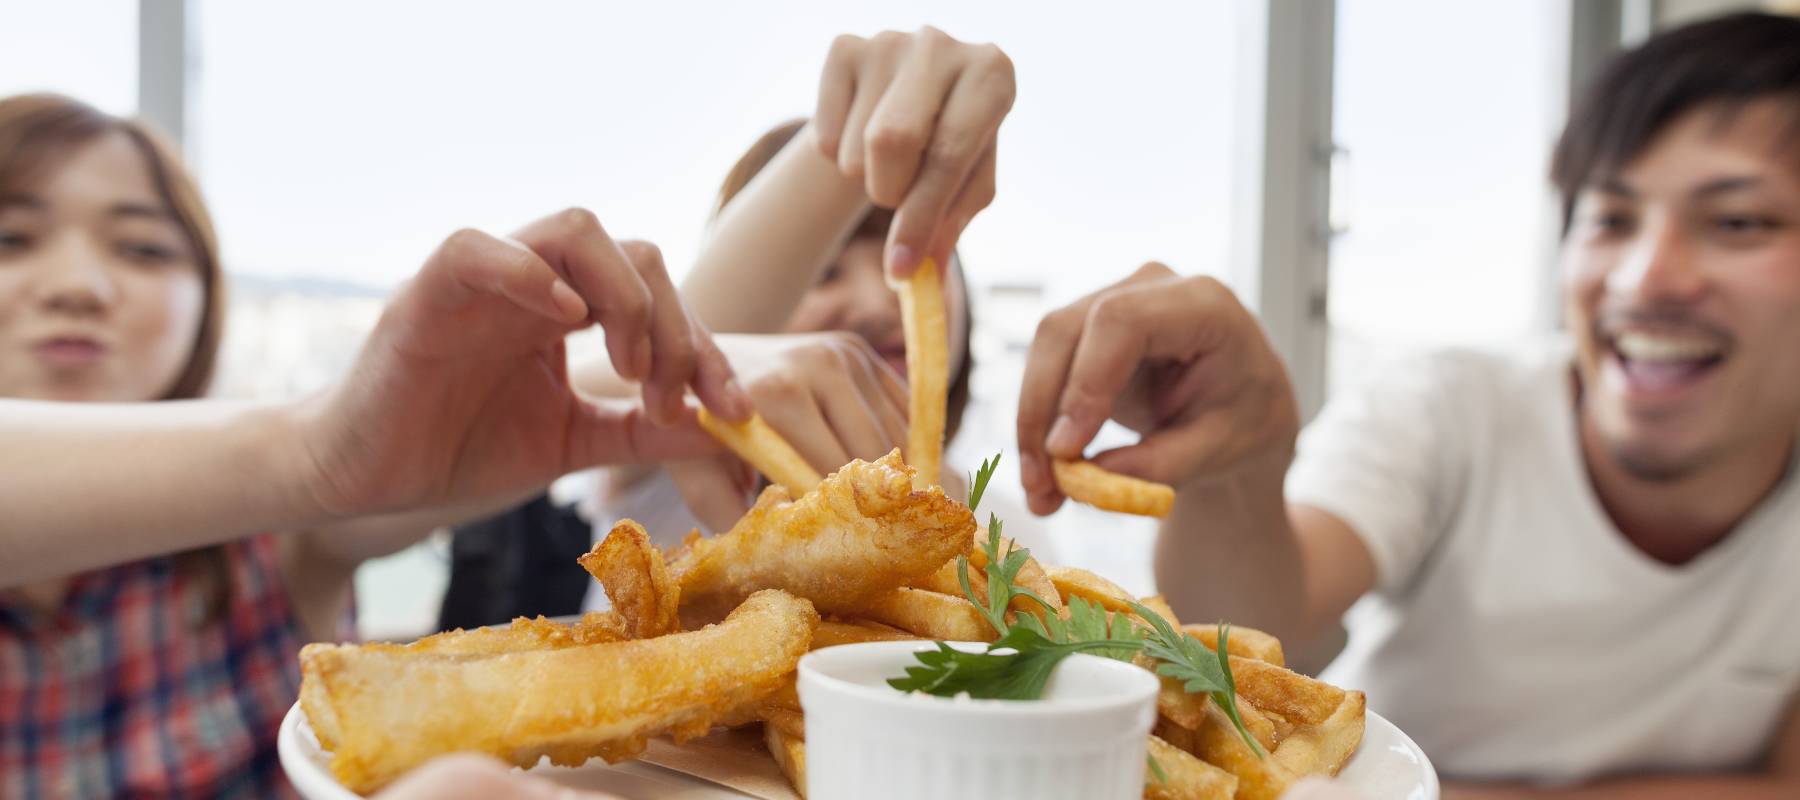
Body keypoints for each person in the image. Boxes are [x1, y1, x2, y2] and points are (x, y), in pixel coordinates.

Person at [1014, 13, 1800, 797]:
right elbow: (1254, 632)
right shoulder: (1449, 409)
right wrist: (1236, 468)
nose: (1644, 280)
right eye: (1610, 219)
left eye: (1737, 221)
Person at [0, 93, 746, 796]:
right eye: (10, 237)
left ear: (205, 297)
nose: (80, 285)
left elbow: (672, 367)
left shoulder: (272, 543)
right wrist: (310, 449)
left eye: (141, 247)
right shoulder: (284, 473)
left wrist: (826, 154)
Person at [438, 27, 1037, 628]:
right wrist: (837, 155)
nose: (876, 302)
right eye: (822, 272)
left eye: (902, 261)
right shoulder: (682, 454)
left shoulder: (1007, 530)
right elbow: (614, 373)